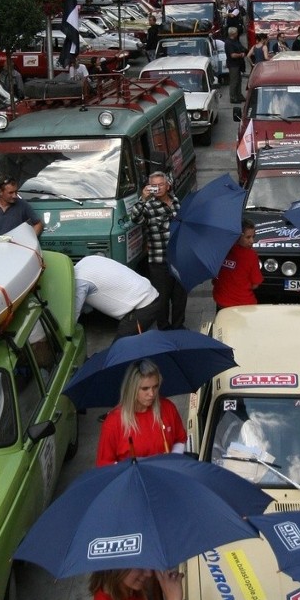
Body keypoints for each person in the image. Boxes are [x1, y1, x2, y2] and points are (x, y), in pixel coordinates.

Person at [95, 361, 186, 466]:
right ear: (131, 389)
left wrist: (173, 461)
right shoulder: (113, 423)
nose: (151, 394)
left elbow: (180, 439)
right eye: (145, 388)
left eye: (155, 387)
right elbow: (104, 463)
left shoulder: (167, 408)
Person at [129, 173, 186, 330]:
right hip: (159, 261)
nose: (158, 188)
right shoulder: (147, 206)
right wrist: (142, 199)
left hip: (178, 259)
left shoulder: (176, 202)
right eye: (154, 185)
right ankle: (164, 327)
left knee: (180, 296)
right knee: (162, 298)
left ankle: (179, 326)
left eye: (161, 184)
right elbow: (135, 218)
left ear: (168, 185)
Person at [73, 254, 161, 338]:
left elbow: (73, 316)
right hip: (150, 294)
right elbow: (86, 308)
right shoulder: (86, 261)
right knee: (146, 342)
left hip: (143, 307)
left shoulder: (80, 283)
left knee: (121, 348)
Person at [0, 176, 43, 247]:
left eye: (16, 192)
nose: (15, 196)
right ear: (0, 192)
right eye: (11, 193)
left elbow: (38, 224)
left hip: (15, 249)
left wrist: (29, 240)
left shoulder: (22, 205)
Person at [212, 223, 262, 308]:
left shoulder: (222, 250)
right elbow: (255, 284)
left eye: (253, 237)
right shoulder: (251, 255)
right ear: (238, 236)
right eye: (248, 237)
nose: (252, 241)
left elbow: (214, 280)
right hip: (243, 304)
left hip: (221, 301)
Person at [224, 27, 246, 104]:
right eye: (236, 32)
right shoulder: (229, 43)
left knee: (239, 80)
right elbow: (232, 55)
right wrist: (241, 54)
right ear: (233, 34)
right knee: (234, 81)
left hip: (238, 64)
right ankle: (233, 97)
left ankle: (239, 95)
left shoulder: (236, 41)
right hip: (233, 64)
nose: (237, 33)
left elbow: (241, 47)